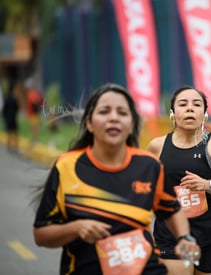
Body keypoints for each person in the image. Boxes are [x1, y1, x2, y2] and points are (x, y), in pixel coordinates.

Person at [33, 83, 201, 275]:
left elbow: (171, 209)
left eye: (122, 113)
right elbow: (41, 234)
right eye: (104, 111)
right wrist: (76, 228)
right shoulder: (66, 167)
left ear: (131, 125)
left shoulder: (149, 166)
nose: (113, 118)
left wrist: (184, 238)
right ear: (89, 122)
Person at [147, 86, 211, 275]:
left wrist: (208, 185)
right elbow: (146, 193)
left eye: (196, 104)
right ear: (172, 113)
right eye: (183, 104)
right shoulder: (156, 146)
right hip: (170, 235)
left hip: (209, 234)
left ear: (204, 113)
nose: (190, 108)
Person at [2, 80, 19, 153]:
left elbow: (4, 110)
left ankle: (9, 148)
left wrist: (5, 118)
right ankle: (15, 147)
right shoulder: (14, 98)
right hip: (13, 118)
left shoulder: (7, 99)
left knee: (9, 133)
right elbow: (17, 108)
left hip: (8, 118)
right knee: (15, 133)